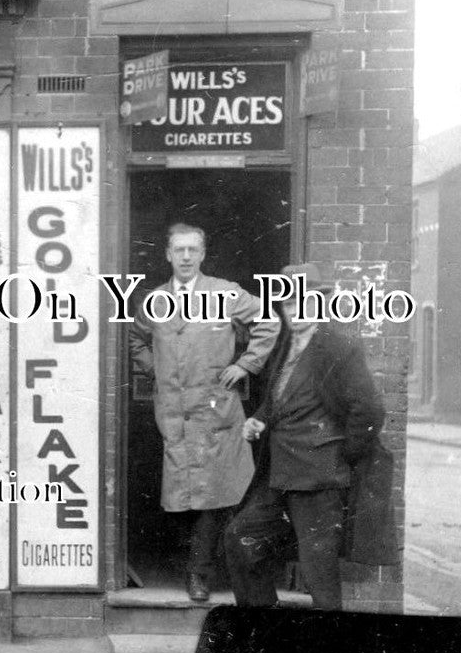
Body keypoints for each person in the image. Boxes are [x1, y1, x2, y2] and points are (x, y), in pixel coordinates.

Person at [130, 223, 279, 601]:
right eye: (179, 250)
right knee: (181, 496)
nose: (185, 257)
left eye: (192, 250)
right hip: (173, 413)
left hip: (214, 412)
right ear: (168, 255)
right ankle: (194, 563)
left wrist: (246, 364)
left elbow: (269, 321)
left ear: (202, 254)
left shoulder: (225, 293)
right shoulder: (155, 301)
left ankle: (199, 572)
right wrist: (156, 369)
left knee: (211, 496)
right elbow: (134, 338)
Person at [224, 263, 385, 611]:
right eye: (288, 303)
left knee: (319, 574)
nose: (295, 310)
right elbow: (279, 398)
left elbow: (369, 411)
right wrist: (259, 419)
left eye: (304, 301)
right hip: (280, 476)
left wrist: (340, 457)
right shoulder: (287, 345)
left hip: (319, 482)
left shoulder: (338, 347)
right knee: (240, 538)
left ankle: (328, 646)